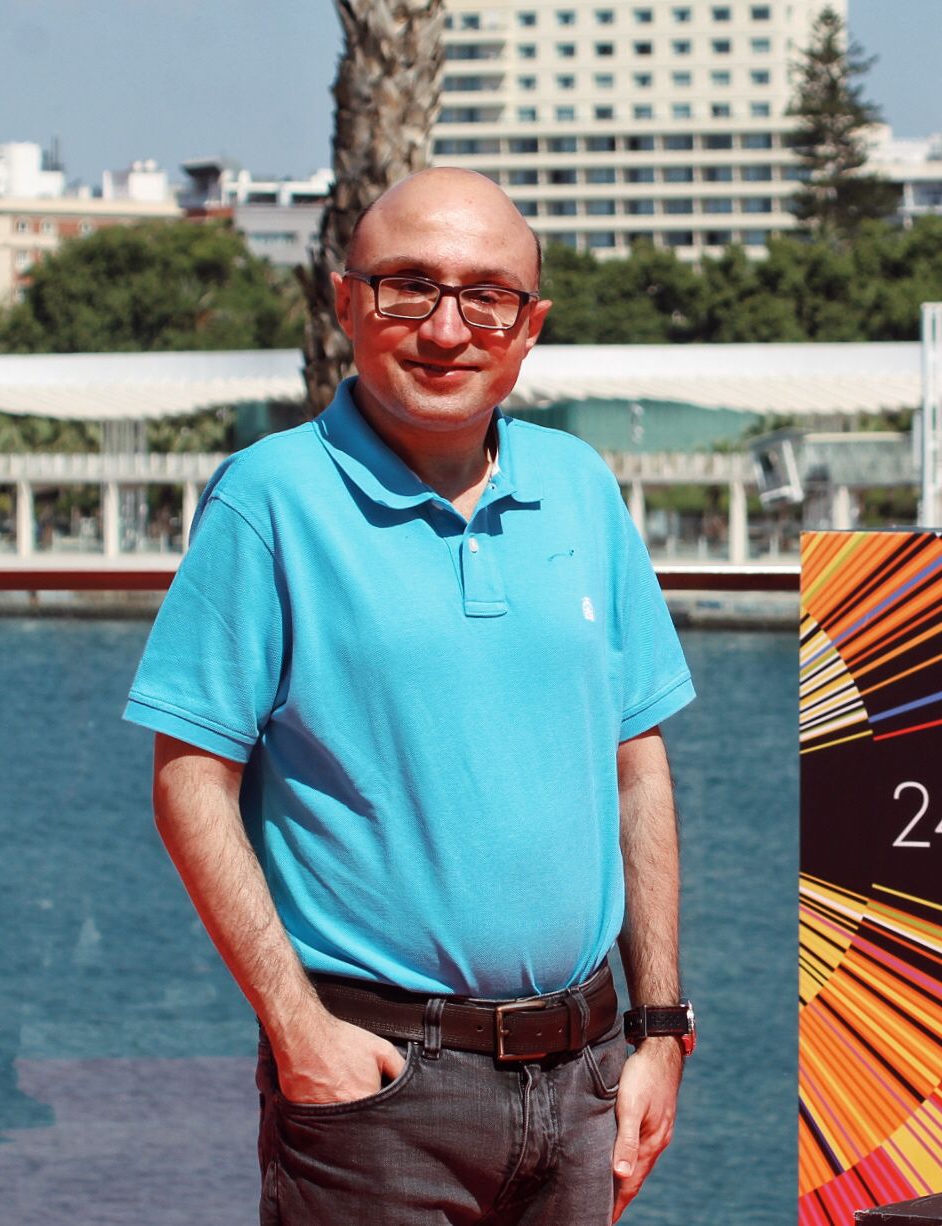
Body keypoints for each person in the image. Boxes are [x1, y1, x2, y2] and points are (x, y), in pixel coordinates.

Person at [123, 168, 696, 1224]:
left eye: (487, 295)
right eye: (407, 287)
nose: (447, 327)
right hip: (376, 1084)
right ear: (346, 302)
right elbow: (189, 781)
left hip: (584, 1080)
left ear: (530, 326)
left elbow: (636, 763)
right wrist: (297, 1029)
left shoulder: (580, 487)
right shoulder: (269, 498)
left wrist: (658, 1029)